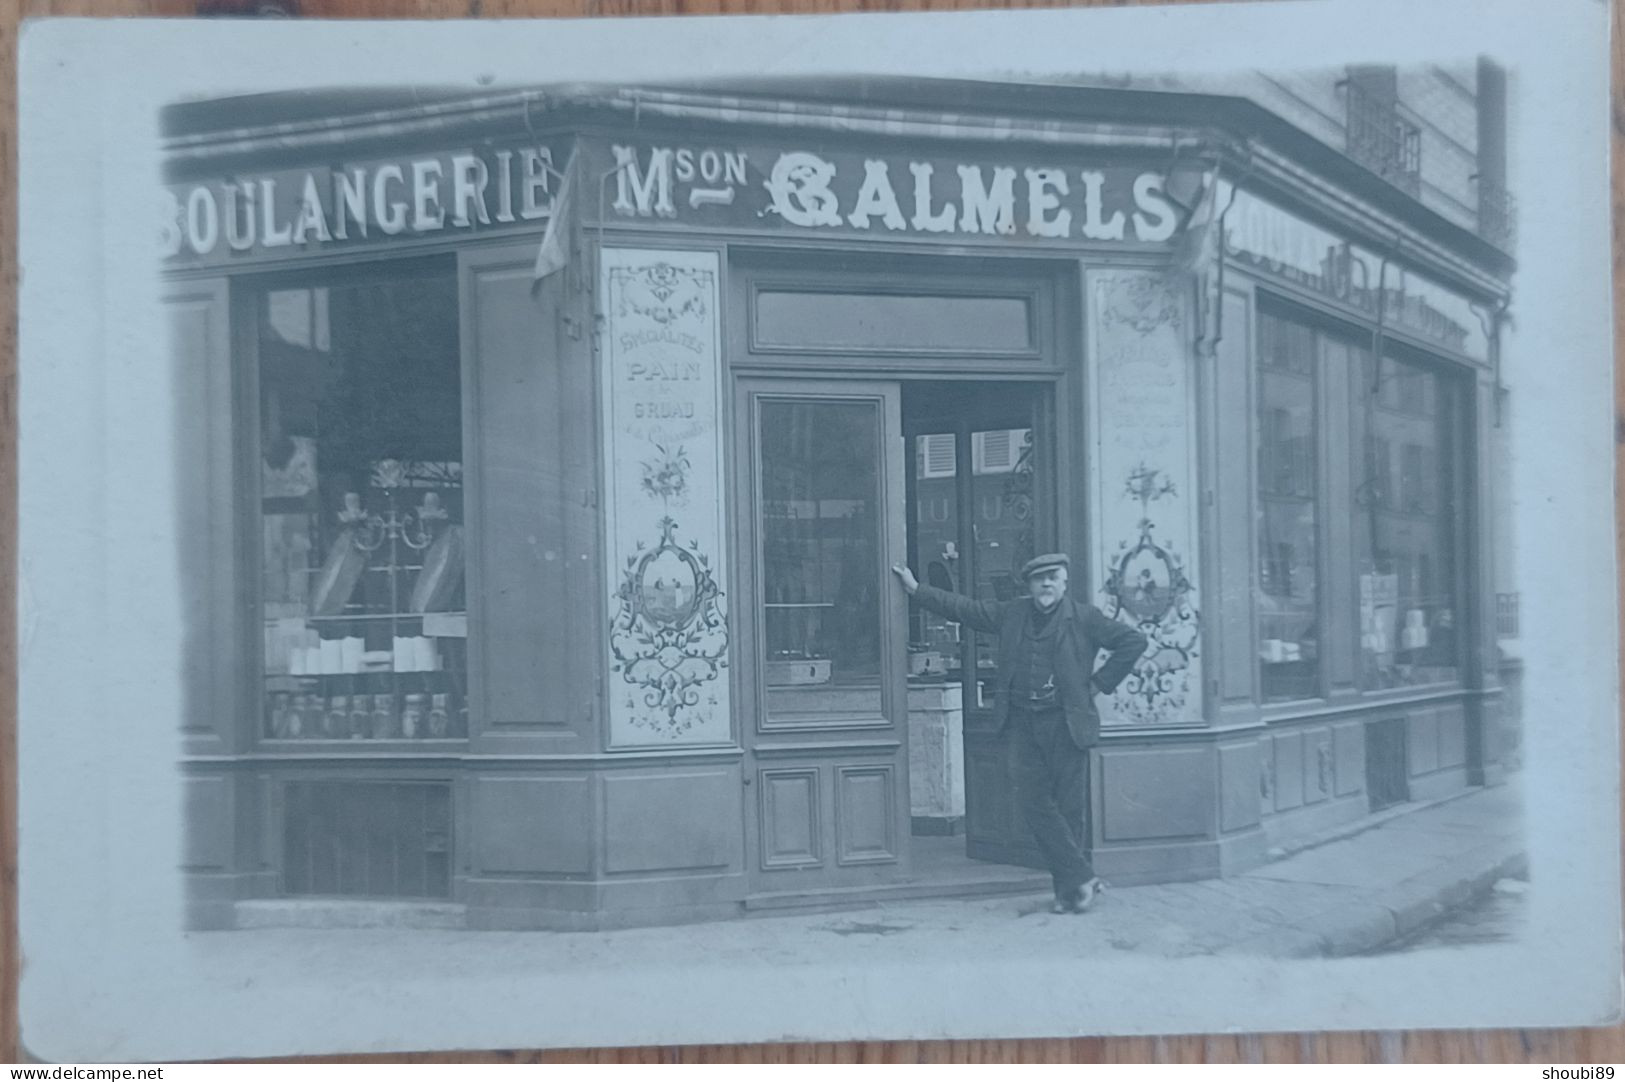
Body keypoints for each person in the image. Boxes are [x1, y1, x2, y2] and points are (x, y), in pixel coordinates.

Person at [891, 553, 1147, 915]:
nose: (1045, 584)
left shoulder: (1085, 618)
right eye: (1038, 579)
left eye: (1052, 578)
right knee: (1033, 804)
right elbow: (966, 609)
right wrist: (917, 590)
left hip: (1066, 723)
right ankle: (1083, 878)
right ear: (1028, 585)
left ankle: (1070, 893)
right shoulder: (1013, 613)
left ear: (1064, 582)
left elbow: (1133, 642)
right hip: (1023, 724)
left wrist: (1098, 684)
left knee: (1070, 811)